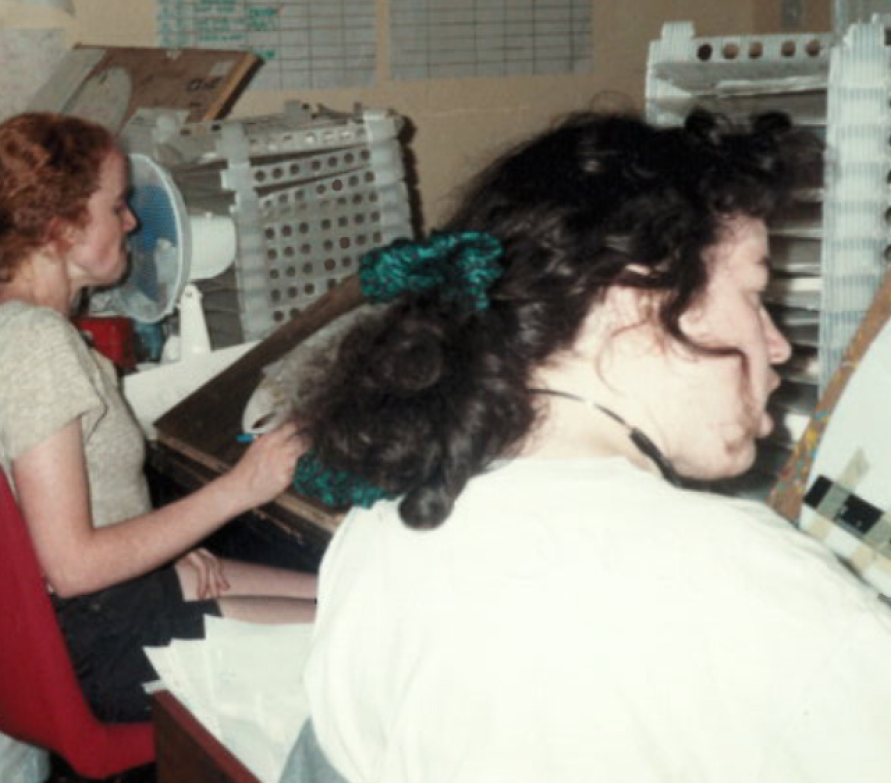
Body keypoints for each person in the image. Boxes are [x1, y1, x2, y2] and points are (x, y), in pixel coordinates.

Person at [282, 110, 891, 782]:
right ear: (636, 298)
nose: (777, 345)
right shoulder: (761, 585)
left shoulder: (382, 524)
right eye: (754, 294)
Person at [0, 112, 317, 723]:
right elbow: (71, 567)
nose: (132, 221)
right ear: (61, 228)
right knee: (362, 632)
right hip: (95, 636)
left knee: (346, 591)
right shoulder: (33, 343)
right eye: (117, 205)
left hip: (37, 620)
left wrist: (158, 546)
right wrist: (241, 488)